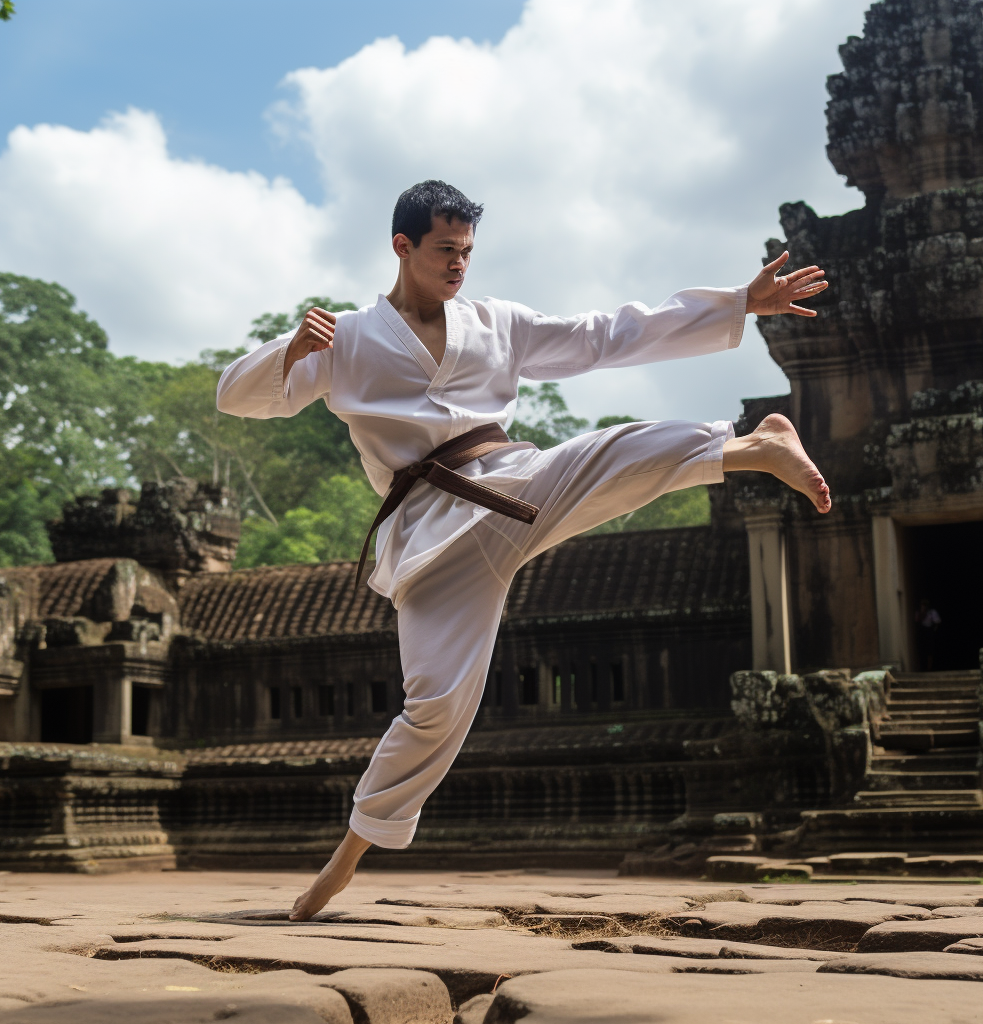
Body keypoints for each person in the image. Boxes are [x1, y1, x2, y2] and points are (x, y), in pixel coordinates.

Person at [216, 180, 831, 921]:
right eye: (445, 250)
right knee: (435, 705)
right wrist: (292, 348)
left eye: (468, 252)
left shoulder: (496, 323)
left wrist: (735, 301)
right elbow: (236, 398)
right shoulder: (346, 339)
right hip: (427, 536)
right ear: (402, 247)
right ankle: (342, 865)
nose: (458, 265)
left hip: (507, 488)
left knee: (604, 455)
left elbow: (606, 333)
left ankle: (749, 447)